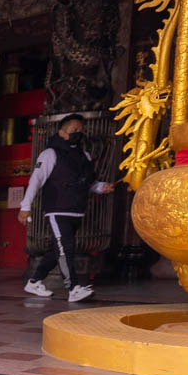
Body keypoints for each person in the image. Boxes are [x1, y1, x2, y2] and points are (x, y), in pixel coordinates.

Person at [19, 114, 115, 302]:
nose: (78, 133)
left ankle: (34, 281)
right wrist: (25, 206)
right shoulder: (49, 154)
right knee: (66, 249)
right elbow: (36, 180)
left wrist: (101, 187)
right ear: (62, 132)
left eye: (80, 130)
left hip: (77, 210)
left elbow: (88, 183)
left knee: (58, 250)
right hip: (57, 210)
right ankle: (73, 288)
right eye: (74, 129)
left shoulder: (84, 155)